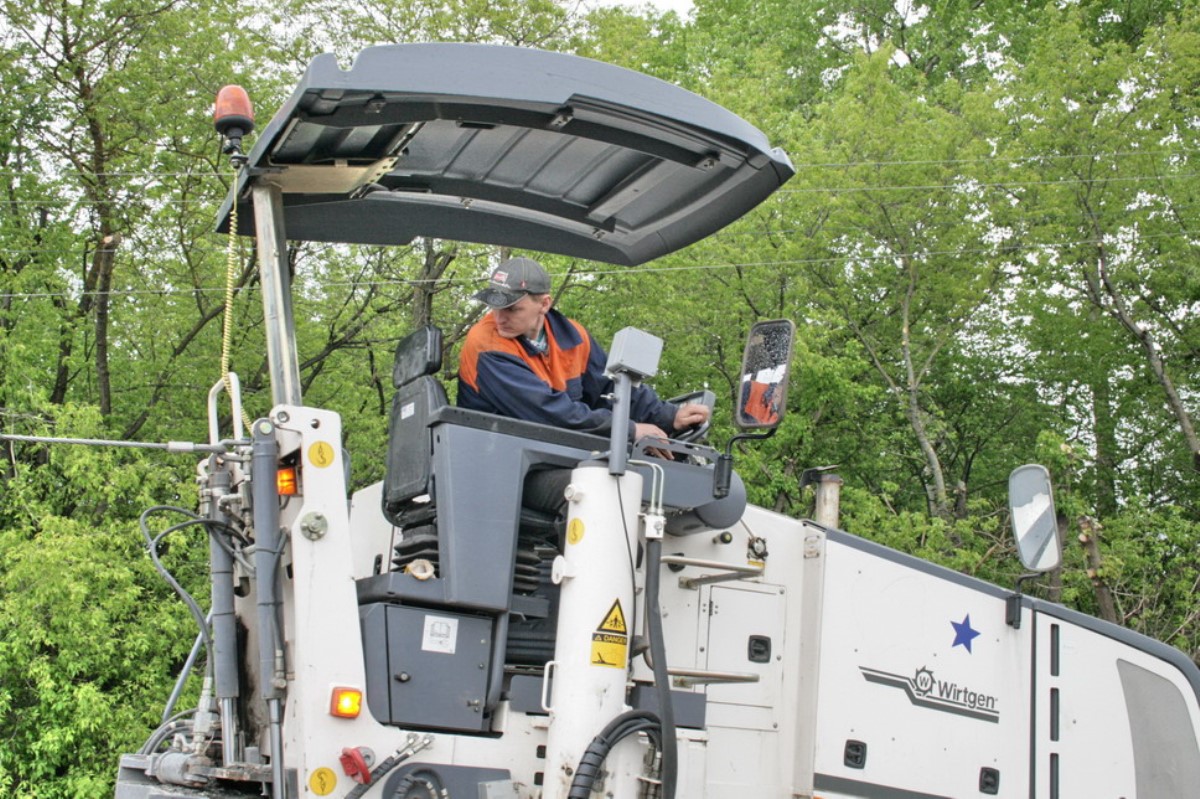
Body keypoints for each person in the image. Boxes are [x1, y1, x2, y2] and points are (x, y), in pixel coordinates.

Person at [457, 257, 710, 451]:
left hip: (548, 452)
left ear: (544, 304)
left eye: (512, 309)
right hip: (499, 459)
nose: (499, 317)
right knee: (604, 493)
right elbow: (548, 414)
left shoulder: (573, 336)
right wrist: (630, 431)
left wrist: (669, 416)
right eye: (495, 306)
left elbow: (611, 389)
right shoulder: (486, 345)